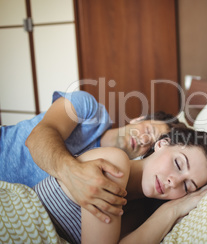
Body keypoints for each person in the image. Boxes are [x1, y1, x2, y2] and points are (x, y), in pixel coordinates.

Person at [0, 90, 185, 223]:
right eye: (148, 130)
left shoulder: (115, 178)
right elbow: (37, 137)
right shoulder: (88, 108)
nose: (144, 140)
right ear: (138, 119)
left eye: (151, 145)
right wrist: (71, 172)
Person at [34, 127, 207, 244]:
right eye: (178, 163)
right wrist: (170, 211)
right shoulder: (115, 162)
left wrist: (172, 210)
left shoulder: (137, 212)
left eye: (187, 186)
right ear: (162, 144)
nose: (173, 181)